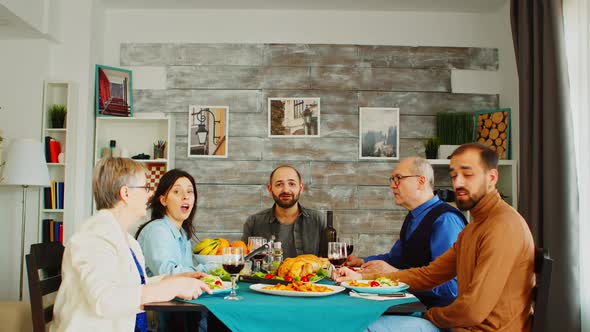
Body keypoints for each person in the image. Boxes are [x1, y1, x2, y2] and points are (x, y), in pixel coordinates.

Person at [337, 143, 535, 332]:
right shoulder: (475, 227)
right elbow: (429, 275)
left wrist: (431, 316)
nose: (457, 183)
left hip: (468, 328)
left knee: (355, 327)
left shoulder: (501, 227)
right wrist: (364, 278)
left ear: (492, 177)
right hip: (454, 323)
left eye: (467, 174)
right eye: (454, 175)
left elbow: (472, 310)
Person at [51, 158, 211, 332]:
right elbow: (105, 300)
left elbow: (135, 286)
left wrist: (173, 279)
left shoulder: (125, 239)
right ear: (125, 193)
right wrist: (172, 287)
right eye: (145, 188)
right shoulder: (94, 237)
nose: (150, 195)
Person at [346, 157, 466, 308]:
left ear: (421, 181)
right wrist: (363, 262)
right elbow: (396, 258)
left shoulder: (446, 220)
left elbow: (450, 288)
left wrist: (395, 274)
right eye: (392, 179)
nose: (392, 185)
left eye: (398, 178)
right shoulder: (413, 216)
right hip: (408, 306)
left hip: (434, 316)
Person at [242, 165, 326, 258]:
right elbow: (244, 260)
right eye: (279, 184)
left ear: (301, 188)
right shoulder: (254, 222)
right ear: (270, 189)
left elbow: (330, 259)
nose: (286, 190)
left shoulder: (318, 220)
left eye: (292, 184)